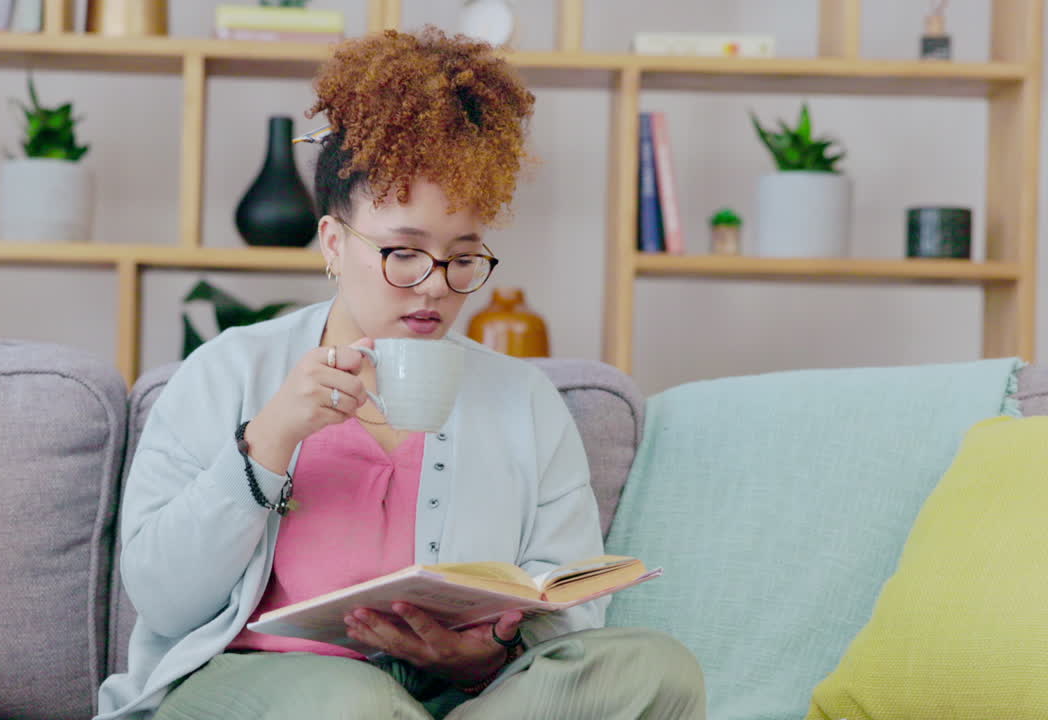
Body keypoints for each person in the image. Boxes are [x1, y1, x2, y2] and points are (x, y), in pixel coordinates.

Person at [95, 25, 705, 720]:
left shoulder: (526, 401)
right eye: (403, 253)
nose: (435, 286)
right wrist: (268, 440)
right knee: (353, 702)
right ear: (333, 243)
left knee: (656, 671)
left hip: (458, 698)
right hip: (257, 687)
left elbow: (567, 613)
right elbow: (163, 599)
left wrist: (489, 654)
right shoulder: (227, 371)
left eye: (462, 258)